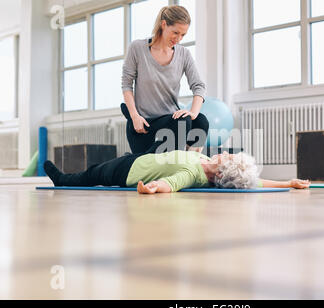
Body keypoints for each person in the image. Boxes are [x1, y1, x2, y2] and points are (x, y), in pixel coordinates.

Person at [121, 5, 208, 154]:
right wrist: (134, 116)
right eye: (175, 32)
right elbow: (127, 84)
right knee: (183, 122)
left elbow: (198, 86)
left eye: (183, 35)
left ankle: (186, 162)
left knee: (200, 120)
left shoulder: (184, 54)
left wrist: (193, 112)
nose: (178, 39)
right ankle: (165, 158)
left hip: (171, 121)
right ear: (163, 24)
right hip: (144, 125)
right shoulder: (137, 48)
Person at [43, 151, 310, 194]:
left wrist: (153, 189)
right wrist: (287, 182)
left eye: (229, 156)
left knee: (90, 174)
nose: (226, 152)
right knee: (93, 171)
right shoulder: (205, 161)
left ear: (221, 169)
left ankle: (61, 178)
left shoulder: (193, 172)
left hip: (126, 171)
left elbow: (171, 183)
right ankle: (65, 176)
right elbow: (252, 182)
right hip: (140, 159)